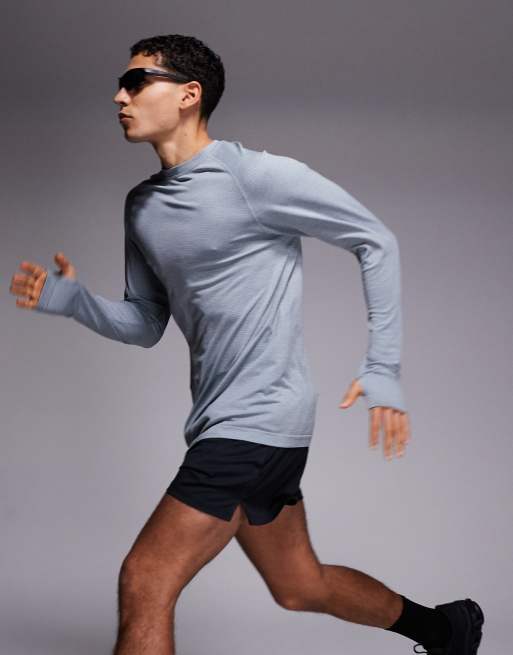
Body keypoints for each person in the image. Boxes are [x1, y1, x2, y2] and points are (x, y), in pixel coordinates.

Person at [9, 33, 484, 655]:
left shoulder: (254, 177)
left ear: (189, 94)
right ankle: (446, 629)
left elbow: (375, 240)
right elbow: (145, 323)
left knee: (146, 578)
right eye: (121, 85)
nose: (119, 96)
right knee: (299, 585)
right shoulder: (143, 206)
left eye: (137, 82)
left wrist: (383, 367)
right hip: (234, 425)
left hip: (255, 420)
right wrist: (75, 302)